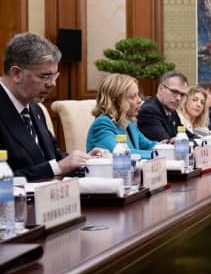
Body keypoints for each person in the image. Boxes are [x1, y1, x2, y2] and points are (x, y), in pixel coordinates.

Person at [0, 32, 102, 179]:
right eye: (44, 77)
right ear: (16, 73)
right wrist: (58, 167)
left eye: (54, 76)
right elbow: (4, 178)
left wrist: (86, 161)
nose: (52, 84)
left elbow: (54, 156)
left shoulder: (34, 108)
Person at [86, 73, 157, 159]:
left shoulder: (129, 123)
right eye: (133, 97)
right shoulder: (102, 124)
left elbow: (149, 145)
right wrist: (157, 155)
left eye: (138, 95)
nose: (139, 100)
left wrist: (169, 147)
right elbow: (120, 154)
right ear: (116, 101)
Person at [138, 71, 189, 142]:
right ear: (161, 89)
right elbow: (165, 143)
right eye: (174, 92)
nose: (178, 98)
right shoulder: (149, 111)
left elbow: (186, 135)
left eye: (182, 95)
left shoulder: (172, 111)